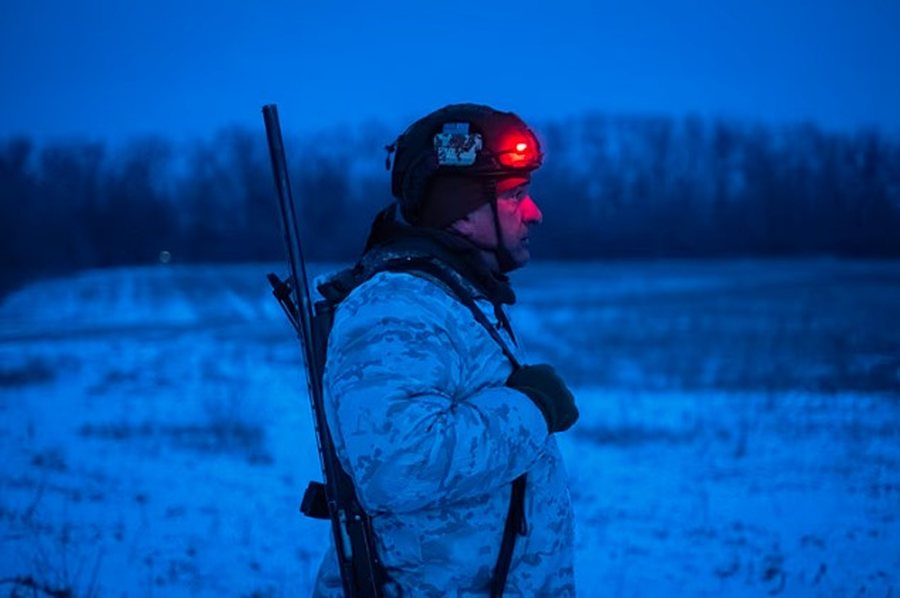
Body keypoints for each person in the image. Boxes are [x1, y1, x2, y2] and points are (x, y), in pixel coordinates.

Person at [313, 103, 578, 596]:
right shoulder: (395, 308)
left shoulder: (449, 297)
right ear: (458, 210)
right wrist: (531, 407)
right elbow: (399, 466)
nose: (534, 213)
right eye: (516, 195)